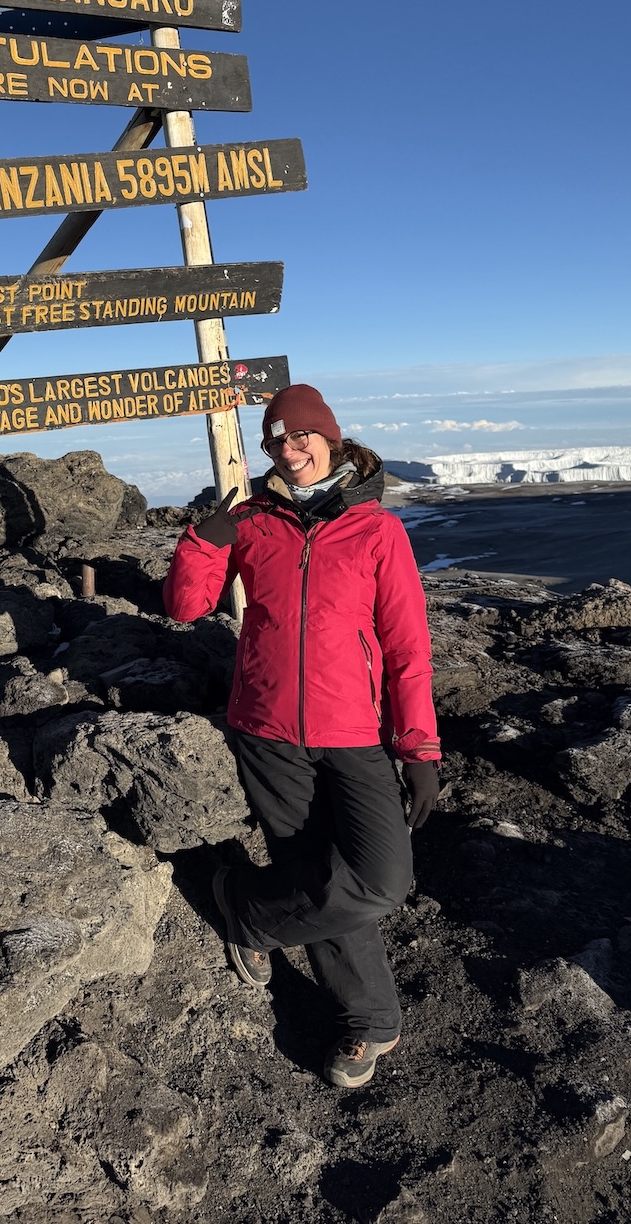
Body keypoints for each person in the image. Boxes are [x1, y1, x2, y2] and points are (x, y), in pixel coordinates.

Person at [163, 383, 440, 1089]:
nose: (292, 451)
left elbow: (406, 645)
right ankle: (370, 1021)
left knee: (382, 880)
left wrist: (420, 750)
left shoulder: (377, 529)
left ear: (333, 439)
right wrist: (204, 537)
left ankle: (242, 910)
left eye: (304, 437)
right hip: (266, 729)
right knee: (312, 870)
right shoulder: (251, 520)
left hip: (355, 733)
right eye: (277, 442)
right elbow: (186, 606)